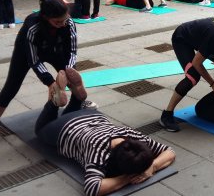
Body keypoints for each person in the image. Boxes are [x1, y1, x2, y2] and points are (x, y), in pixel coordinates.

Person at [0, 0, 96, 150]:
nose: (63, 24)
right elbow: (34, 60)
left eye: (65, 20)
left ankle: (73, 103)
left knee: (71, 76)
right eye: (57, 22)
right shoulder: (32, 27)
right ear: (46, 18)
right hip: (25, 53)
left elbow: (72, 51)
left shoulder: (69, 23)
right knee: (10, 88)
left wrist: (68, 68)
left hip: (55, 49)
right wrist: (49, 82)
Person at [34, 70, 175, 196]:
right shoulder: (99, 155)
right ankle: (54, 103)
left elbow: (169, 151)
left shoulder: (131, 136)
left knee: (71, 114)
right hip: (65, 128)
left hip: (90, 115)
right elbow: (92, 189)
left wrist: (153, 166)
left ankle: (77, 98)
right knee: (40, 130)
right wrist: (128, 177)